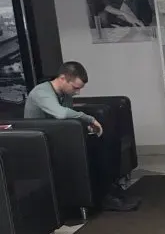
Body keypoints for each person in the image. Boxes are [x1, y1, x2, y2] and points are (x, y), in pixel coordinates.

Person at [24, 61, 139, 212]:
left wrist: (86, 128)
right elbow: (61, 114)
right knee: (96, 150)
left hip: (58, 137)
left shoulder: (65, 94)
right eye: (75, 88)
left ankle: (110, 190)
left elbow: (67, 119)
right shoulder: (41, 92)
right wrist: (89, 119)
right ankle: (105, 197)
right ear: (62, 78)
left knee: (107, 140)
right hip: (41, 144)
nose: (77, 93)